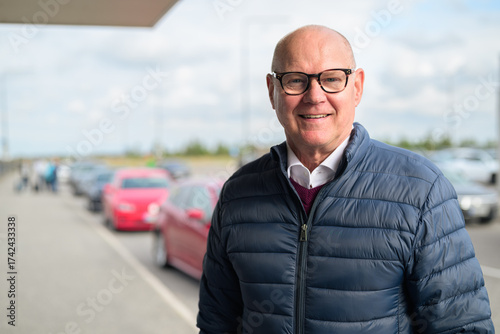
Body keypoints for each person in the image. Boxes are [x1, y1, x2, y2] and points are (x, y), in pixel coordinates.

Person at [197, 25, 494, 334]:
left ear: (357, 87)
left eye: (332, 79)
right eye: (296, 80)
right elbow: (216, 324)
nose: (314, 96)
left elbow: (462, 327)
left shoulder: (420, 190)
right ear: (272, 91)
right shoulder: (238, 194)